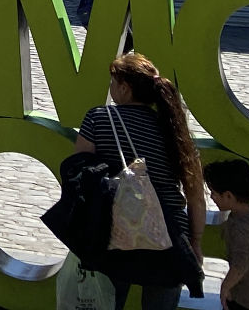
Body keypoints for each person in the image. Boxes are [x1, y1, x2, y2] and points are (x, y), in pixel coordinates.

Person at [73, 51, 204, 308]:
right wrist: (195, 242)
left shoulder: (99, 118)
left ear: (125, 87)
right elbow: (196, 196)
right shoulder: (174, 129)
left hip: (113, 229)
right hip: (169, 234)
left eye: (113, 82)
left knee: (107, 303)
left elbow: (79, 175)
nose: (110, 89)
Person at [204, 157, 249, 310]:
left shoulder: (243, 228)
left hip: (246, 300)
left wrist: (225, 287)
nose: (212, 197)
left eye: (214, 193)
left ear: (229, 196)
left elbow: (242, 262)